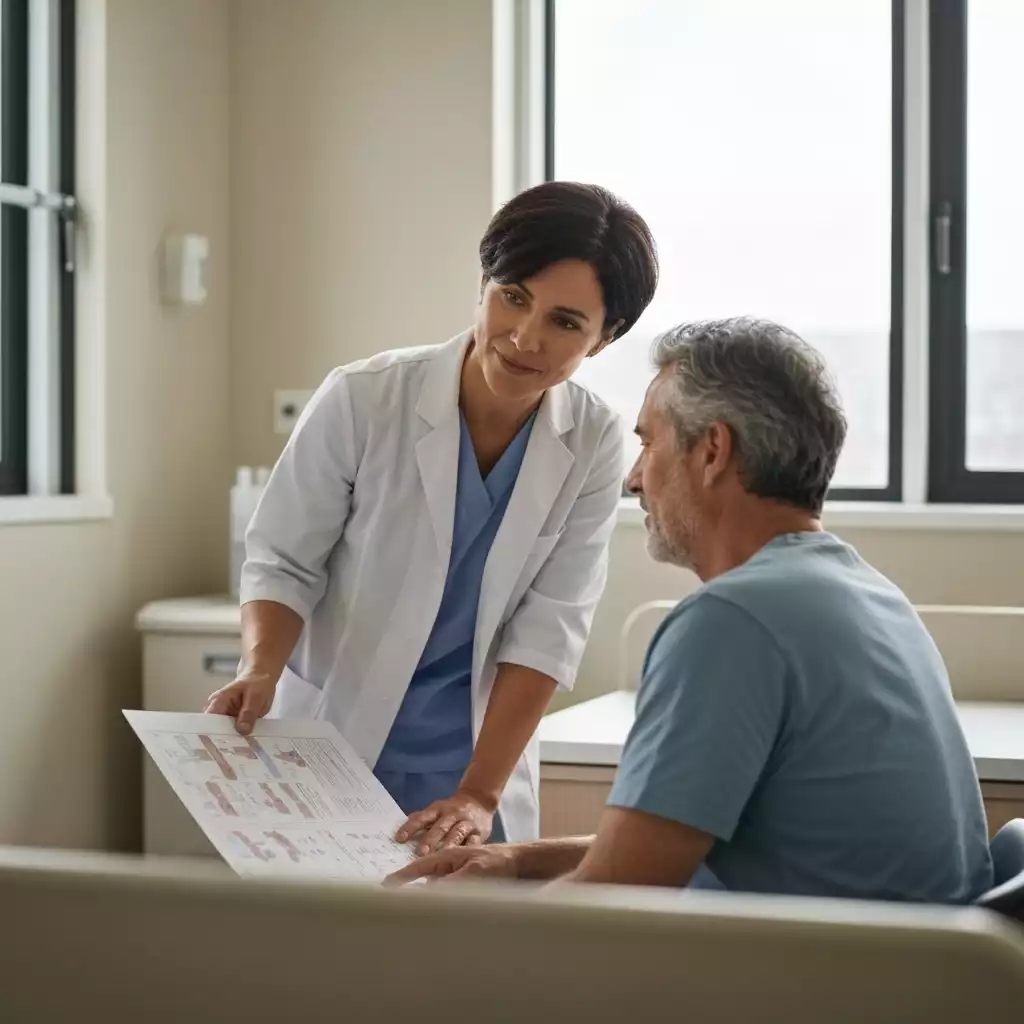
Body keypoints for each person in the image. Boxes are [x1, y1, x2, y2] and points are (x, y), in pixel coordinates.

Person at [388, 317, 994, 903]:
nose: (633, 480)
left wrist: (465, 931)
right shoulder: (867, 594)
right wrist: (519, 859)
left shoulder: (731, 622)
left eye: (648, 442)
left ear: (712, 452)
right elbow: (664, 846)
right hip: (918, 969)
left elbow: (616, 895)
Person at [204, 181, 659, 850]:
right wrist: (261, 668)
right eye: (514, 297)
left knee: (465, 950)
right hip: (334, 730)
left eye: (565, 322)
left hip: (474, 759)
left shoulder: (593, 441)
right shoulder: (365, 397)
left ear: (602, 338)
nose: (524, 336)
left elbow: (548, 628)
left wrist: (478, 793)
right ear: (483, 283)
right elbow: (283, 558)